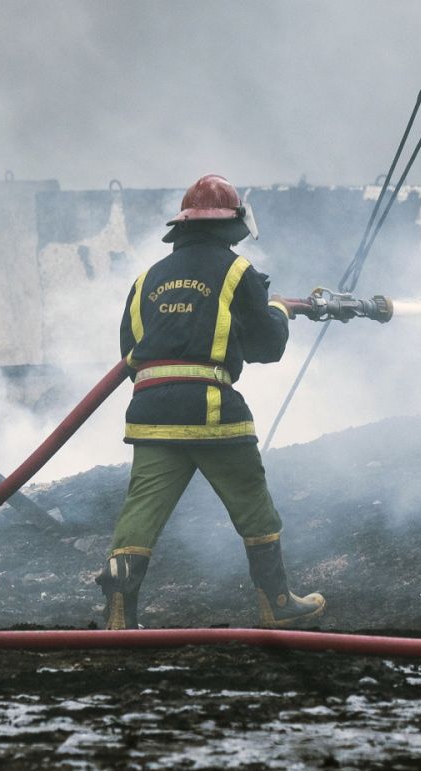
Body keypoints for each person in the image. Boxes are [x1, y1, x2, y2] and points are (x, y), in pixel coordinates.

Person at [97, 174, 325, 630]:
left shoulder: (147, 279)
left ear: (183, 226)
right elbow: (267, 346)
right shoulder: (237, 272)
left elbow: (129, 350)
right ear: (231, 225)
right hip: (211, 411)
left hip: (151, 413)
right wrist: (279, 308)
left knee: (140, 513)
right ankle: (276, 603)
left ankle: (119, 614)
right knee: (253, 503)